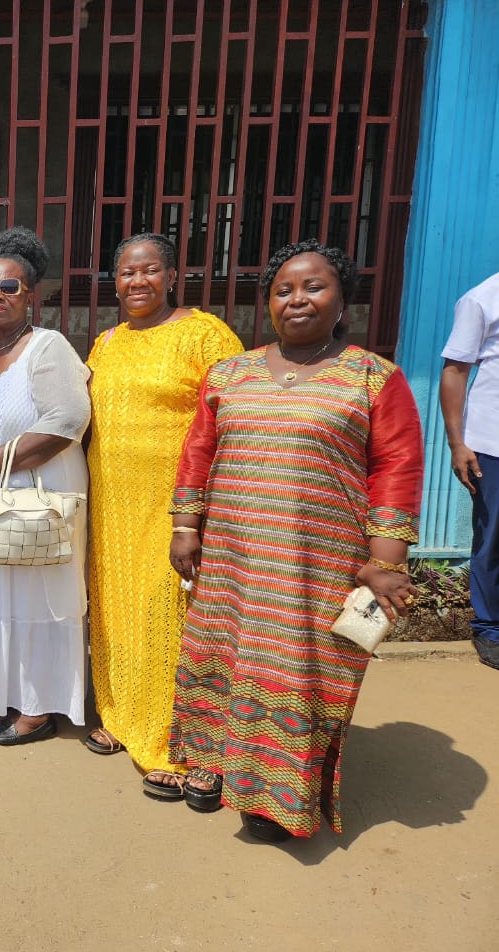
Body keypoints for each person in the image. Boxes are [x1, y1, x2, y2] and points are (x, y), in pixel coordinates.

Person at [168, 239, 424, 841]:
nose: (297, 299)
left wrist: (386, 559)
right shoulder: (229, 373)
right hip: (232, 555)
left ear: (342, 300)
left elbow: (397, 464)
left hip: (316, 561)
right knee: (223, 650)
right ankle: (214, 762)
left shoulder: (373, 376)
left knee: (296, 665)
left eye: (314, 286)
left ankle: (276, 795)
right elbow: (199, 451)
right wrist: (185, 526)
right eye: (283, 290)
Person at [84, 233, 243, 799]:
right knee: (115, 609)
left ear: (172, 276)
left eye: (149, 270)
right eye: (127, 272)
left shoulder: (205, 335)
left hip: (173, 505)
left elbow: (231, 419)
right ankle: (123, 718)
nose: (137, 281)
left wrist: (200, 512)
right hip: (111, 505)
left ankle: (176, 742)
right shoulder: (106, 343)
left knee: (167, 612)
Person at [0, 227, 92, 745]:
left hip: (34, 495)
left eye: (9, 287)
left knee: (33, 600)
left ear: (31, 296)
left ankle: (37, 707)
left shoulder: (48, 347)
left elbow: (66, 420)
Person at [440, 270, 499, 671]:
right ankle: (490, 628)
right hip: (492, 443)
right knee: (493, 538)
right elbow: (455, 370)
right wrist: (457, 443)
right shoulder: (482, 299)